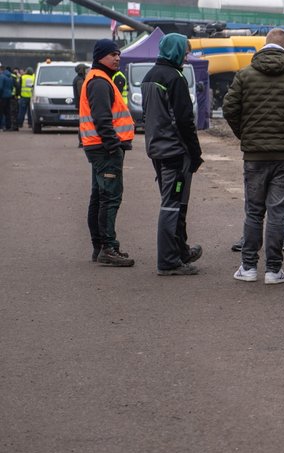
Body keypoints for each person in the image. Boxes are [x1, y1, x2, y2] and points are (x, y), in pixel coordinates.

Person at [223, 28, 284, 285]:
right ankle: (274, 270)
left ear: (262, 47)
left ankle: (248, 267)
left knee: (254, 212)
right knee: (278, 213)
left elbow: (229, 108)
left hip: (254, 156)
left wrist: (244, 135)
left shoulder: (244, 76)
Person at [141, 33, 204, 276]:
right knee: (172, 205)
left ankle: (181, 250)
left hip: (157, 149)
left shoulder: (150, 76)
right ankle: (169, 261)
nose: (186, 57)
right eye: (185, 52)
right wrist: (195, 153)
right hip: (175, 152)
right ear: (176, 51)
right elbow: (184, 121)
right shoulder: (174, 78)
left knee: (177, 203)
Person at [79, 38, 135, 266]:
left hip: (98, 146)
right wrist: (113, 146)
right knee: (110, 198)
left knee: (99, 197)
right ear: (100, 57)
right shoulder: (100, 82)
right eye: (112, 54)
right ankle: (107, 247)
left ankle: (100, 246)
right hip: (105, 148)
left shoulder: (99, 79)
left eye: (118, 54)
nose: (117, 57)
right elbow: (102, 119)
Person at [0, 65, 14, 131]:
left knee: (1, 111)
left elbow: (0, 87)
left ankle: (1, 126)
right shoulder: (10, 77)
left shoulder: (1, 76)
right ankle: (8, 126)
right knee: (8, 112)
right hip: (9, 95)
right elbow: (11, 87)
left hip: (3, 96)